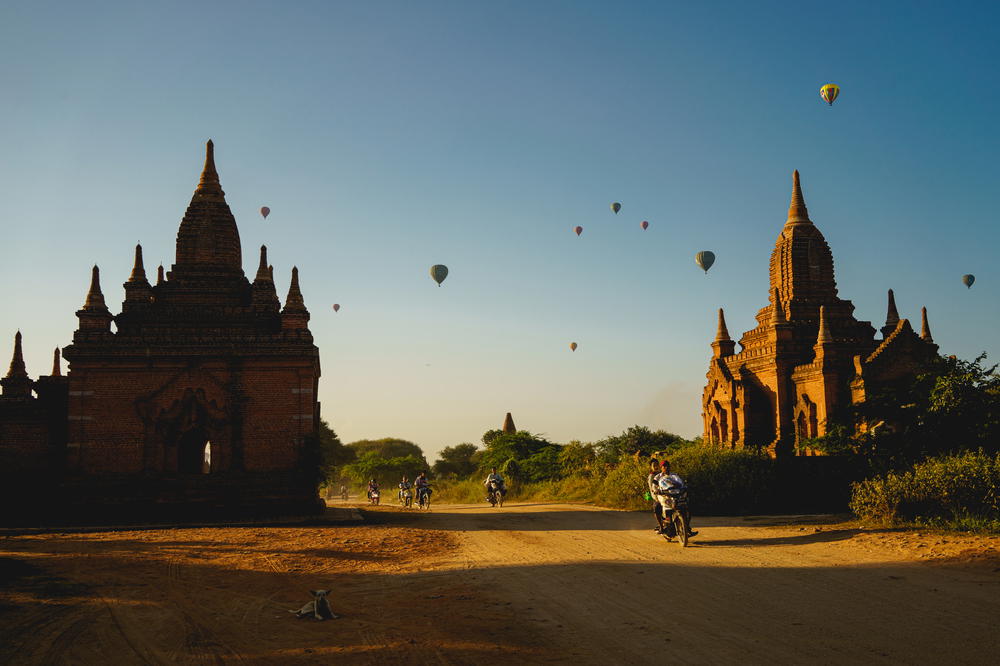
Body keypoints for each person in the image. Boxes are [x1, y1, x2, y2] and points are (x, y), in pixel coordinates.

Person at [655, 460, 697, 538]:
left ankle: (687, 528)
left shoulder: (675, 475)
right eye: (664, 466)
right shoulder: (658, 477)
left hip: (676, 496)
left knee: (688, 507)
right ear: (661, 468)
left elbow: (681, 483)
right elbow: (654, 487)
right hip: (664, 497)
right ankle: (661, 526)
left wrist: (685, 487)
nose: (666, 468)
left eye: (667, 466)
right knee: (657, 507)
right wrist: (656, 491)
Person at [647, 458, 666, 533]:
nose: (656, 466)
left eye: (657, 465)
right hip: (658, 497)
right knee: (657, 507)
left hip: (667, 495)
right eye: (654, 465)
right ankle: (661, 526)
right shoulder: (651, 476)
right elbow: (652, 488)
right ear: (651, 467)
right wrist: (656, 497)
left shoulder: (662, 474)